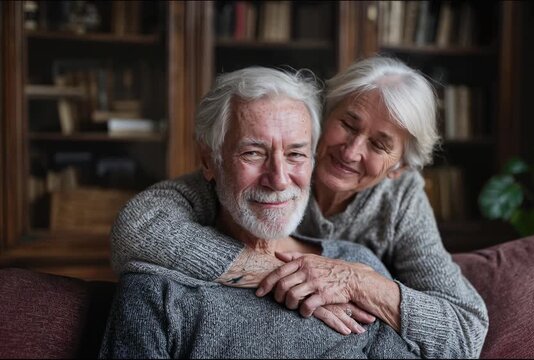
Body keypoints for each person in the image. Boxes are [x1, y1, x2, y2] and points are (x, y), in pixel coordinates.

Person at [110, 56, 488, 358]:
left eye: (379, 144)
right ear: (324, 119)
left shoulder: (394, 212)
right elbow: (137, 229)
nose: (352, 151)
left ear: (399, 168)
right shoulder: (236, 180)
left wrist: (358, 282)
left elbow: (464, 330)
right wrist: (282, 273)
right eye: (348, 124)